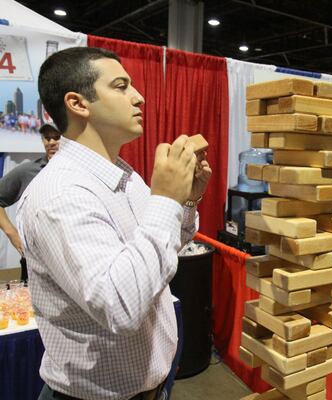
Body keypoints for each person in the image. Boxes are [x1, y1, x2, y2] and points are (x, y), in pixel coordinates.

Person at [16, 47, 211, 400]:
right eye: (121, 86)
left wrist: (187, 199)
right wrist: (166, 198)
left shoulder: (125, 175)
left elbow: (160, 252)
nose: (139, 97)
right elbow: (121, 304)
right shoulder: (60, 194)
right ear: (78, 104)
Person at [0, 123, 61, 281]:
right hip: (35, 264)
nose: (51, 142)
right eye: (47, 138)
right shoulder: (28, 171)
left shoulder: (80, 171)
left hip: (71, 261)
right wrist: (12, 234)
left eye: (57, 137)